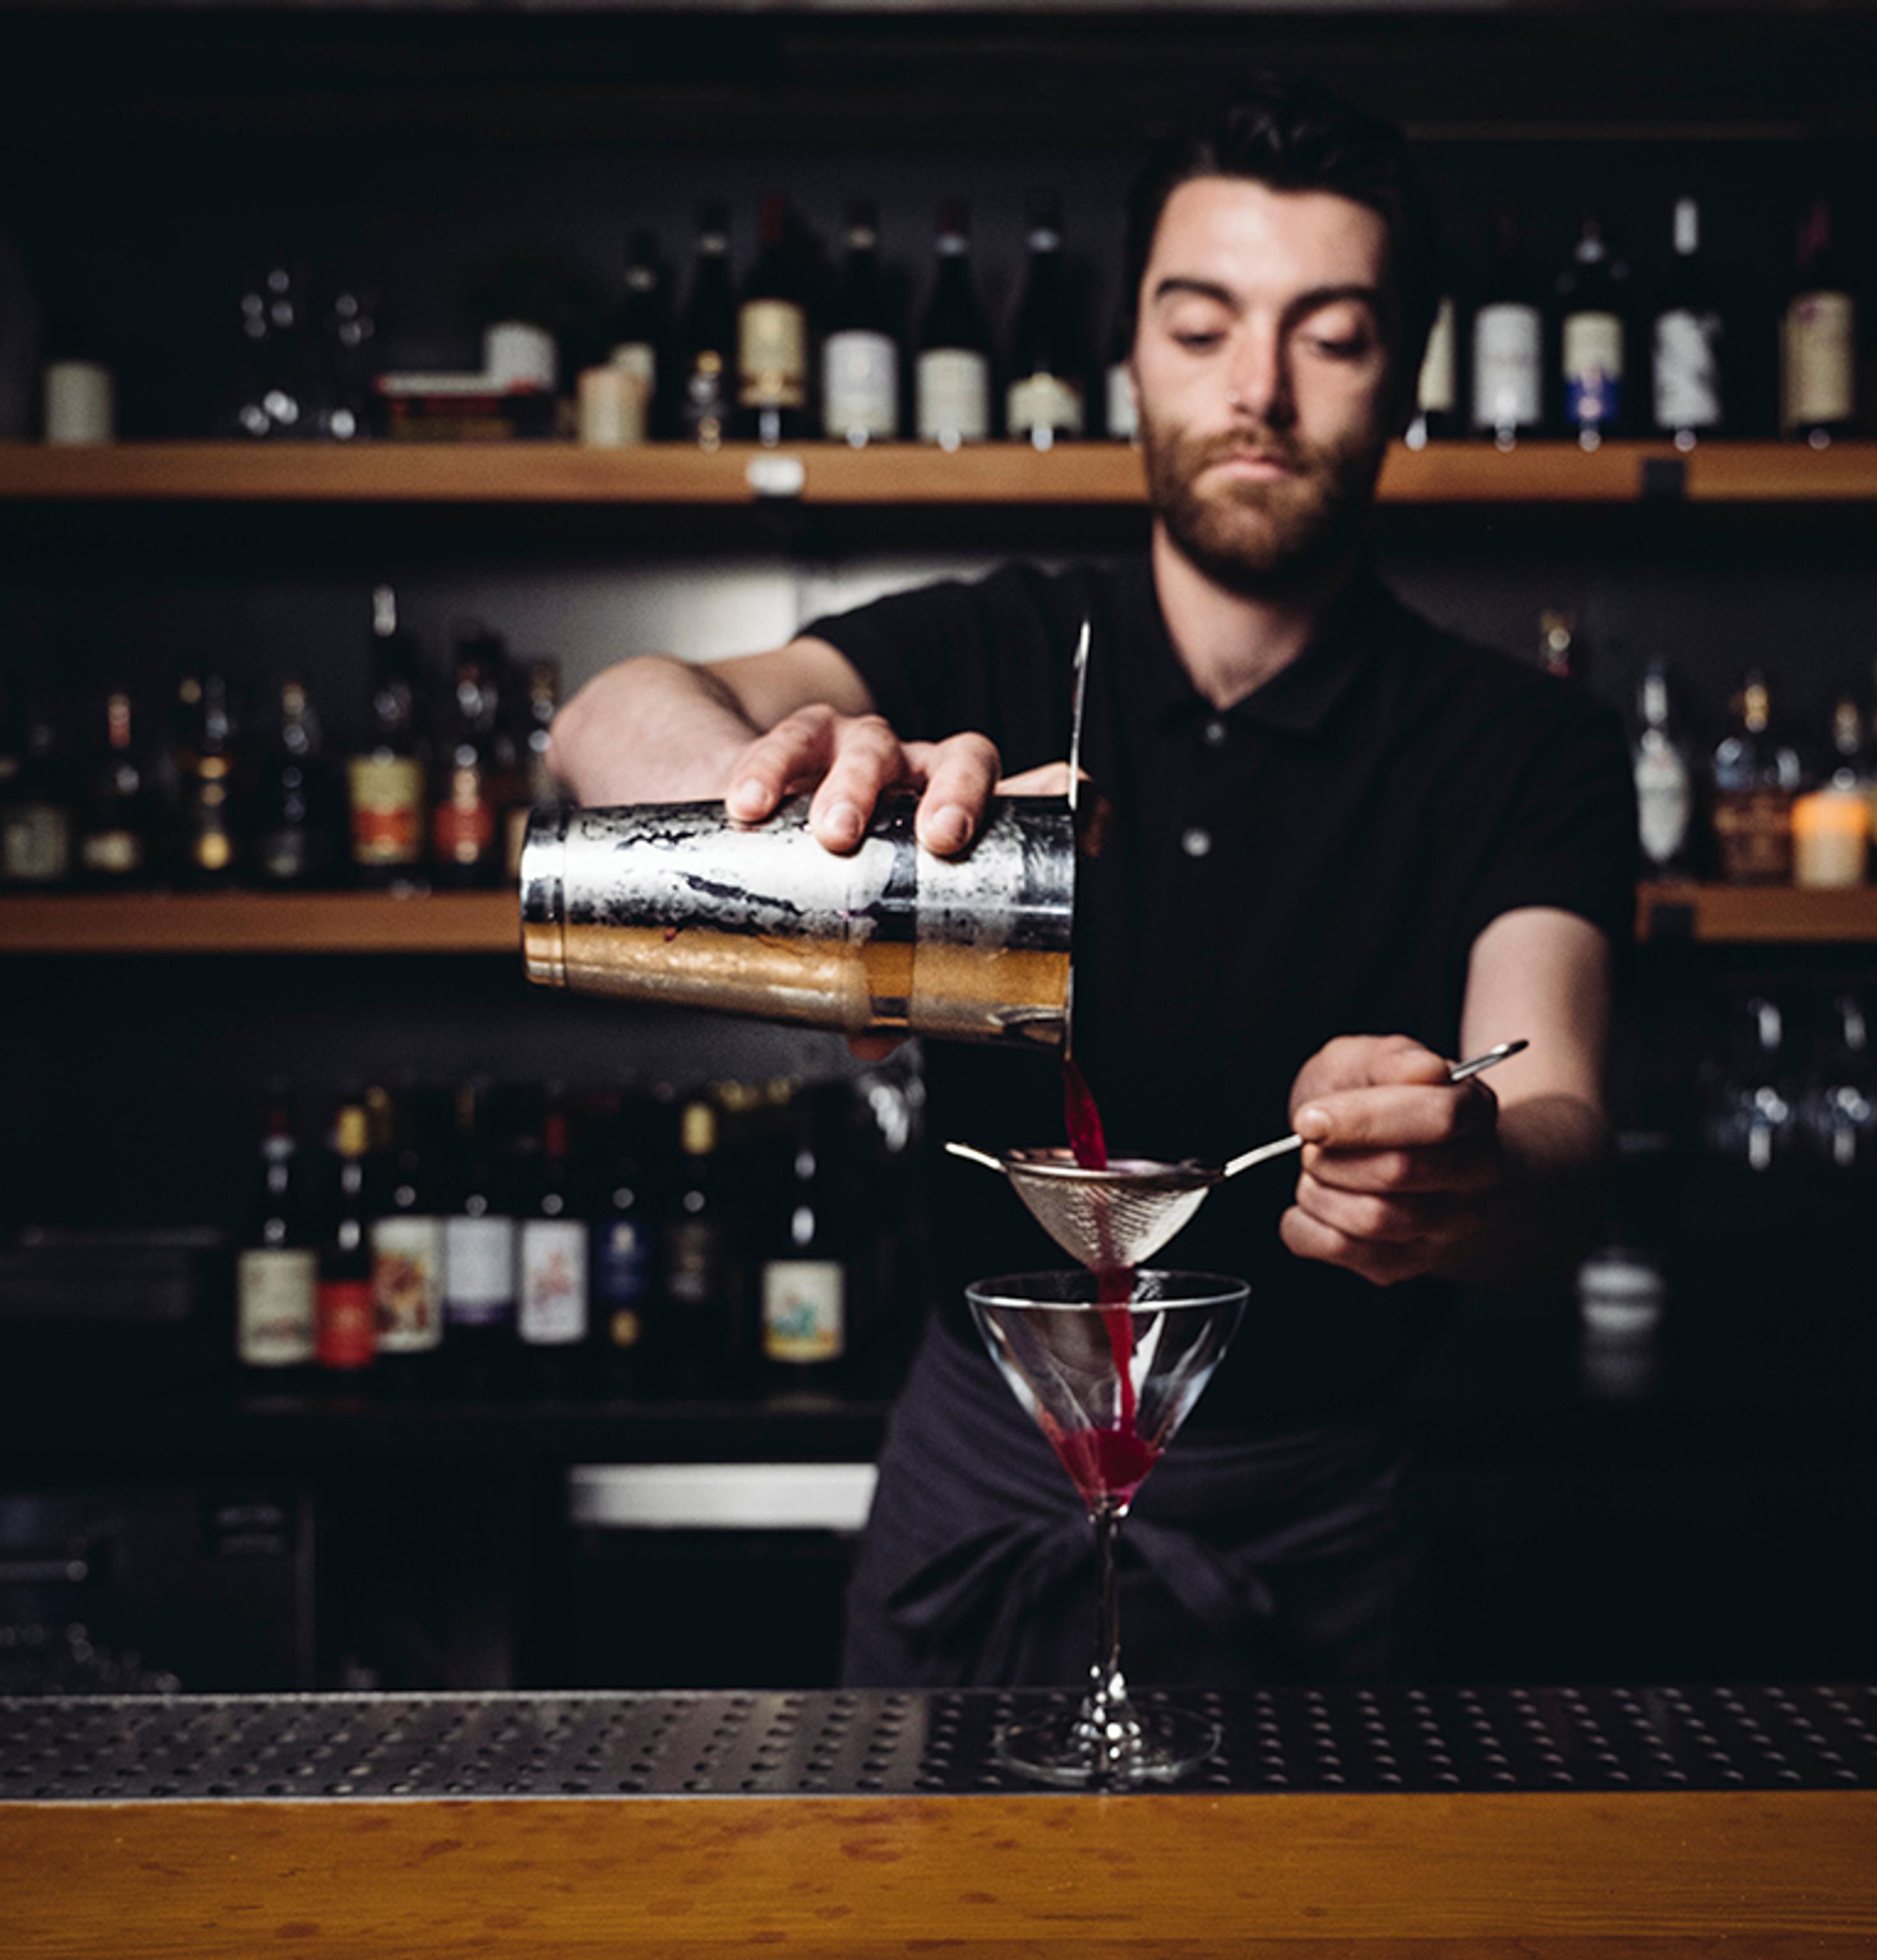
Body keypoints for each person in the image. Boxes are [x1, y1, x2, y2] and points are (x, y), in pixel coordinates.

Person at [551, 76, 1635, 1686]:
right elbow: (605, 718)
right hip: (977, 1480)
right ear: (1129, 351)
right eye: (1201, 328)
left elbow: (1563, 1130)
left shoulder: (1520, 741)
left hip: (1326, 1517)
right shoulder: (982, 645)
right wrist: (798, 795)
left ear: (1406, 371)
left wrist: (1460, 1160)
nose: (1257, 389)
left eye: (1330, 335)